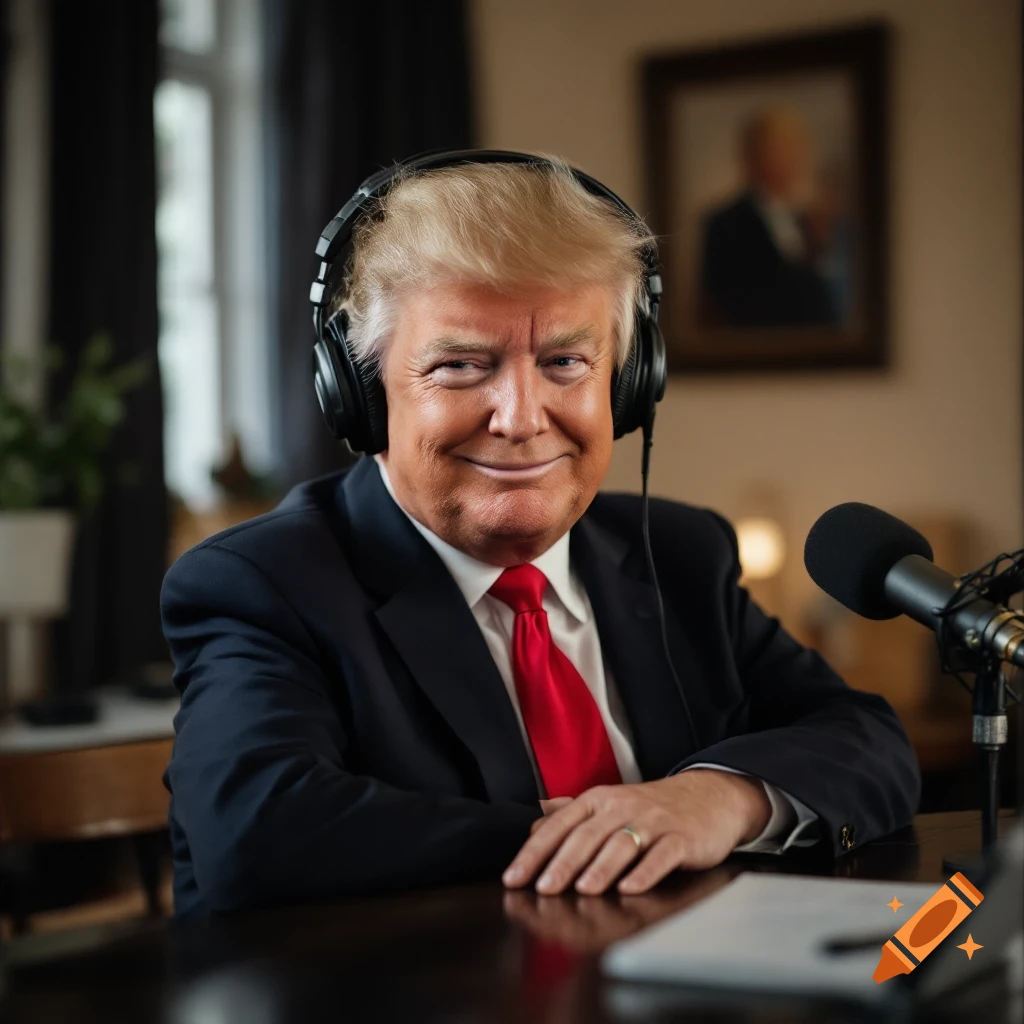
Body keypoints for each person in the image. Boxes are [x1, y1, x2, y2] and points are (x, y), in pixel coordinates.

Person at [161, 152, 919, 917]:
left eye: (565, 361)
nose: (521, 418)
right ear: (360, 394)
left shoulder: (680, 555)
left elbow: (864, 737)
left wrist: (716, 801)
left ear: (627, 384)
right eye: (459, 366)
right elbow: (252, 830)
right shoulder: (265, 582)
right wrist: (616, 834)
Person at [699, 106, 840, 328]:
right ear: (753, 158)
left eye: (793, 151)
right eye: (777, 151)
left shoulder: (807, 220)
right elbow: (725, 301)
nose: (787, 162)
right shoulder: (725, 223)